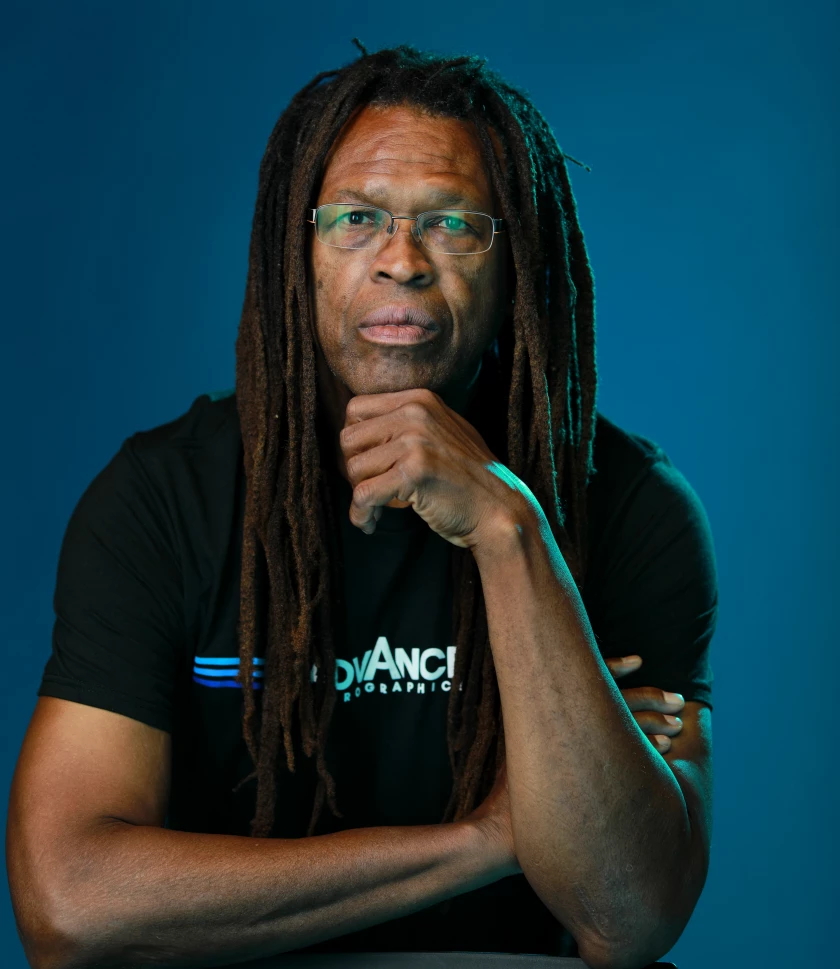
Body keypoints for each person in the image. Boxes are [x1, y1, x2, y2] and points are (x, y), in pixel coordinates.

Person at [6, 43, 716, 969]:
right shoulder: (160, 499)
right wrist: (493, 837)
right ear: (294, 251)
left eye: (455, 223)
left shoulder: (628, 506)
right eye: (356, 219)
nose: (402, 262)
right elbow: (70, 903)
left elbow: (628, 918)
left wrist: (511, 532)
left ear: (514, 261)